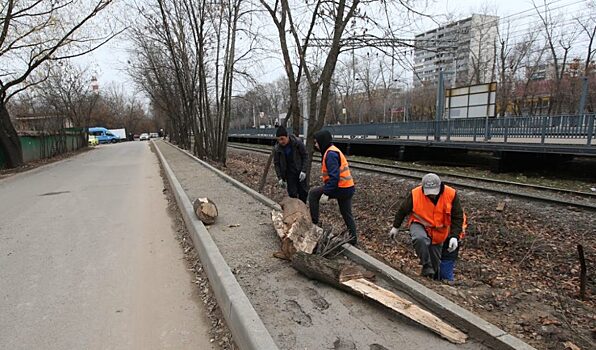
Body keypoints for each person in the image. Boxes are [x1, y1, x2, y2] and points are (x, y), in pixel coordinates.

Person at [388, 173, 464, 279]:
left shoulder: (451, 194)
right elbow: (402, 210)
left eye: (434, 192)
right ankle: (426, 265)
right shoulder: (415, 194)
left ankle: (431, 278)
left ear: (440, 186)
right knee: (420, 239)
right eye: (428, 193)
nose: (431, 195)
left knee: (435, 266)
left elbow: (458, 217)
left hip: (439, 231)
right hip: (419, 223)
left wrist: (454, 236)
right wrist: (395, 227)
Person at [308, 130, 357, 245]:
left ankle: (314, 224)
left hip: (340, 187)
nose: (315, 145)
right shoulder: (333, 150)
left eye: (316, 142)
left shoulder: (330, 154)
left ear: (322, 141)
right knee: (347, 214)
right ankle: (353, 239)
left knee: (313, 194)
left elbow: (334, 177)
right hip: (348, 187)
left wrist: (327, 193)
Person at [273, 126, 308, 202]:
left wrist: (304, 171)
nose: (281, 141)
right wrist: (280, 178)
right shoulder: (277, 149)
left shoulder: (297, 143)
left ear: (287, 136)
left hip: (299, 171)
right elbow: (277, 164)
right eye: (279, 140)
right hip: (289, 174)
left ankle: (302, 209)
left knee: (303, 193)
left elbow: (305, 156)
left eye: (282, 139)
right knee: (292, 194)